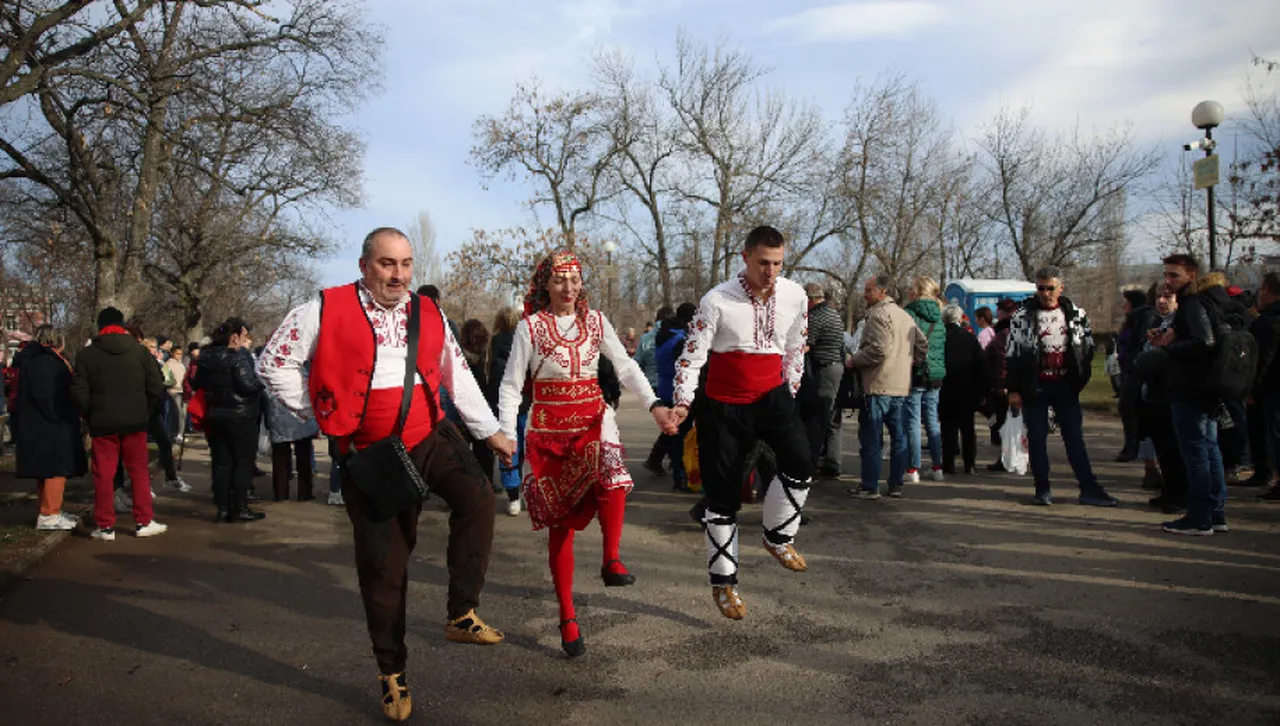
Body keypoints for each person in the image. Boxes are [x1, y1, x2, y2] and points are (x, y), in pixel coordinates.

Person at [258, 228, 514, 721]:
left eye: (406, 264)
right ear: (364, 265)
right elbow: (273, 363)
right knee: (385, 568)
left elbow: (456, 375)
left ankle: (462, 611)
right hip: (371, 454)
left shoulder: (429, 311)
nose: (398, 275)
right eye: (387, 264)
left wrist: (491, 433)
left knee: (480, 497)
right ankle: (391, 672)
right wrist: (320, 413)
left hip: (429, 433)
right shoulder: (324, 308)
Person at [497, 249, 671, 656]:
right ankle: (567, 614)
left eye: (575, 280)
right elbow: (509, 385)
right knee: (561, 526)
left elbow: (626, 366)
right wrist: (507, 434)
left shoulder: (594, 321)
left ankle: (611, 558)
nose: (569, 288)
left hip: (593, 418)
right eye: (560, 280)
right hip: (549, 432)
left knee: (613, 478)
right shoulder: (531, 328)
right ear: (546, 285)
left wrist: (655, 405)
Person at [668, 225, 813, 621]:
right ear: (746, 257)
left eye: (778, 263)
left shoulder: (795, 295)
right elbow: (692, 355)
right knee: (724, 496)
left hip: (772, 396)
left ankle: (778, 536)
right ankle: (724, 582)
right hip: (723, 406)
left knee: (800, 461)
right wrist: (682, 403)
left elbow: (795, 347)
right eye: (764, 262)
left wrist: (791, 390)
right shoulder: (716, 300)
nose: (771, 271)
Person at [1006, 266, 1117, 507]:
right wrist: (1014, 389)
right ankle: (1042, 488)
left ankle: (1089, 488)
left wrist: (1079, 378)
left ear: (1060, 288)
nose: (1045, 293)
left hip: (1065, 385)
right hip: (1035, 386)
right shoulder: (1022, 316)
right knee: (1037, 438)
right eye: (1041, 288)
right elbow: (1013, 354)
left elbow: (1086, 348)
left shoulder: (1076, 314)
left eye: (1050, 288)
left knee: (1074, 438)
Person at [1150, 255, 1233, 534]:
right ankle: (1215, 512)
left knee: (1197, 453)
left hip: (1192, 388)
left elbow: (1203, 342)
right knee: (1209, 449)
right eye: (1166, 275)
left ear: (1192, 274)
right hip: (1207, 386)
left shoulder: (1194, 302)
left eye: (1175, 275)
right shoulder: (1212, 300)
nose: (1168, 281)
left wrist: (1171, 346)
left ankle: (1200, 516)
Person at [71, 307, 168, 541]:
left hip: (102, 422)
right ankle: (143, 521)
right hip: (135, 421)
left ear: (99, 326)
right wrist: (145, 410)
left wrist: (90, 413)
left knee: (103, 474)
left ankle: (105, 526)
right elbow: (157, 385)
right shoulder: (139, 352)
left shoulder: (87, 355)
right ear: (122, 325)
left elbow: (78, 392)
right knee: (139, 471)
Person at [849, 275, 927, 499]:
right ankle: (896, 484)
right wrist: (907, 362)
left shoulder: (878, 315)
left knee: (872, 439)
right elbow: (922, 346)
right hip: (901, 385)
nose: (865, 294)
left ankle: (870, 485)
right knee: (899, 438)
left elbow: (878, 351)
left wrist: (854, 360)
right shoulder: (905, 316)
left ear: (881, 292)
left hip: (878, 384)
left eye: (868, 290)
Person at [14, 325, 86, 530]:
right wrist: (60, 417)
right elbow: (47, 395)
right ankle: (49, 513)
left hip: (38, 423)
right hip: (51, 423)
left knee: (45, 470)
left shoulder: (32, 359)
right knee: (56, 468)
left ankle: (49, 509)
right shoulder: (47, 362)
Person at [195, 318, 267, 522]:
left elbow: (197, 382)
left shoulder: (205, 357)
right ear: (234, 337)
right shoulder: (237, 358)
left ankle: (223, 507)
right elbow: (246, 385)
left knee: (222, 463)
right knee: (242, 463)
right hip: (241, 416)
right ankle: (240, 507)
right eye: (243, 336)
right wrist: (260, 384)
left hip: (216, 415)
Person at [904, 276, 947, 483]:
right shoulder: (939, 316)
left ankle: (913, 469)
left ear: (917, 291)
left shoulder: (910, 313)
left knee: (912, 421)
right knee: (932, 420)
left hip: (917, 371)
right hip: (936, 374)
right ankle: (938, 466)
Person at [486, 307, 526, 515]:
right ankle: (517, 486)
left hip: (498, 403)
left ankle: (513, 496)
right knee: (519, 445)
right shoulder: (524, 342)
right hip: (522, 402)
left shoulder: (491, 344)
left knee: (507, 448)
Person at [939, 304, 987, 475]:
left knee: (947, 428)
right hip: (967, 389)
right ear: (960, 319)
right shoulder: (970, 338)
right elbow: (981, 365)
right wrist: (981, 391)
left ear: (944, 319)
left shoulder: (941, 337)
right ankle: (969, 463)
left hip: (945, 389)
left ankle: (949, 463)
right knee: (968, 428)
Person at [804, 282, 846, 478]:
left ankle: (817, 462)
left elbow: (807, 345)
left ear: (810, 299)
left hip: (824, 369)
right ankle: (832, 461)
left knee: (819, 418)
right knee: (833, 418)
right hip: (836, 367)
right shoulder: (833, 313)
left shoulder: (816, 316)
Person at [655, 302, 697, 490]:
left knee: (673, 434)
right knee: (684, 434)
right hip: (679, 392)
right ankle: (683, 475)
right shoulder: (682, 339)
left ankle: (677, 475)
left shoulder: (662, 335)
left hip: (663, 388)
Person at [1115, 289, 1157, 462]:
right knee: (1129, 407)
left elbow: (1137, 342)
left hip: (1136, 369)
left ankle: (1133, 447)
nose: (1123, 306)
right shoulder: (1136, 317)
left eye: (1126, 302)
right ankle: (1133, 445)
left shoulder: (1142, 317)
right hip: (1129, 367)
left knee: (1130, 407)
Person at [1251, 273, 1280, 500]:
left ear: (1268, 291)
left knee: (1274, 434)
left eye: (1261, 290)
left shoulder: (1269, 321)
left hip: (1273, 386)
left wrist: (1254, 386)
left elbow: (1264, 359)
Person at [636, 306, 674, 474]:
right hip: (670, 384)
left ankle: (670, 459)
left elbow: (637, 362)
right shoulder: (674, 335)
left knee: (670, 422)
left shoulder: (646, 338)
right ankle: (656, 458)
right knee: (673, 423)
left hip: (652, 386)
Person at [459, 318, 496, 485]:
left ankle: (461, 489)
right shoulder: (486, 358)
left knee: (461, 454)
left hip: (460, 412)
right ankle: (486, 483)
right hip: (482, 410)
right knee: (484, 452)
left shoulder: (458, 358)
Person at [984, 299, 1018, 470]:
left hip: (1005, 384)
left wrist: (1002, 383)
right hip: (1012, 382)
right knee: (1009, 421)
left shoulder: (1005, 332)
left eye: (998, 310)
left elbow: (1002, 360)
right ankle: (1010, 457)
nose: (996, 313)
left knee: (1005, 422)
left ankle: (1007, 459)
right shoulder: (1011, 329)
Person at [164, 346, 187, 440]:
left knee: (183, 413)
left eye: (181, 354)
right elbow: (166, 379)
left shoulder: (181, 365)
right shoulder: (168, 364)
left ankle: (180, 432)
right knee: (177, 413)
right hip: (173, 391)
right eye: (177, 354)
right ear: (172, 354)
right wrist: (172, 385)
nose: (179, 356)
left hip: (182, 391)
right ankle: (175, 433)